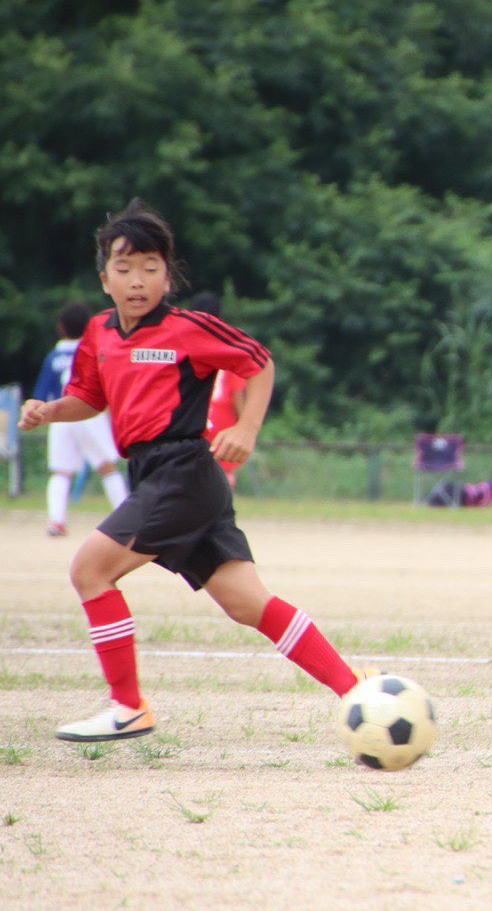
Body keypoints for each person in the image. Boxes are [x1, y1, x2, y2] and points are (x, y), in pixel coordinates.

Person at [17, 200, 364, 742]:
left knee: (90, 570)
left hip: (182, 472)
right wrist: (50, 411)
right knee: (247, 603)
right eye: (125, 268)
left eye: (150, 267)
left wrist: (247, 428)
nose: (137, 280)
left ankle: (128, 706)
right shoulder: (100, 334)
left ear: (168, 277)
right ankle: (356, 690)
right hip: (162, 477)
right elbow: (89, 396)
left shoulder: (187, 329)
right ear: (104, 278)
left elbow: (259, 362)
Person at [32, 301, 129, 536]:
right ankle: (127, 517)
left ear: (61, 327)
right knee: (107, 466)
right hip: (89, 413)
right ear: (89, 327)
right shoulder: (93, 350)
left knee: (61, 471)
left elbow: (41, 395)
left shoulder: (54, 356)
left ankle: (56, 521)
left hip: (58, 415)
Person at [186, 292, 249, 489]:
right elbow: (237, 394)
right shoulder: (226, 347)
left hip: (191, 422)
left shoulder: (182, 346)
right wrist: (245, 427)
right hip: (222, 425)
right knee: (221, 482)